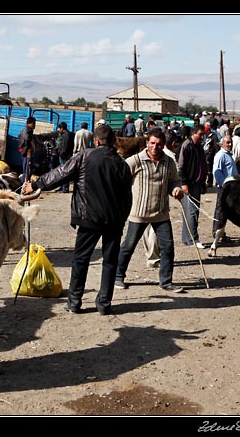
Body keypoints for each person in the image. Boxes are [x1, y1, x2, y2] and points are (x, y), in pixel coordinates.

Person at [22, 124, 132, 315]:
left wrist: (36, 184)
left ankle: (74, 302)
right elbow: (127, 197)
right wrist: (121, 219)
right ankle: (104, 304)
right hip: (113, 222)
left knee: (81, 260)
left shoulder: (85, 156)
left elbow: (60, 174)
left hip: (88, 218)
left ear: (96, 141)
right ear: (113, 142)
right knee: (110, 262)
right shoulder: (121, 163)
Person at [114, 128, 185, 293]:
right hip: (138, 213)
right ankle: (118, 276)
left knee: (168, 247)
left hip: (161, 213)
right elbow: (119, 178)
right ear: (147, 143)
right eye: (152, 143)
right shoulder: (135, 160)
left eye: (159, 144)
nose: (155, 147)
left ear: (163, 145)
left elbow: (175, 180)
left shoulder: (168, 162)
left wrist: (176, 189)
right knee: (128, 245)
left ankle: (166, 281)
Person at [178, 125, 208, 248]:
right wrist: (184, 183)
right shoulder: (187, 146)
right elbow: (181, 166)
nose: (202, 137)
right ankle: (193, 239)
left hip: (197, 183)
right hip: (189, 184)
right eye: (200, 134)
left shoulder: (199, 147)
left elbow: (202, 165)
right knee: (191, 212)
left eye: (203, 134)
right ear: (193, 134)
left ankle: (187, 239)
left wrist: (203, 183)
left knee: (191, 212)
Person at [211, 135, 237, 239]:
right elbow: (216, 172)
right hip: (224, 187)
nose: (230, 144)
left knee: (225, 211)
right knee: (220, 210)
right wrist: (223, 185)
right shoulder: (220, 155)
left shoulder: (228, 154)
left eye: (230, 142)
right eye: (227, 142)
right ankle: (216, 233)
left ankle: (221, 233)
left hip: (231, 187)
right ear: (222, 143)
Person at [18, 116, 37, 182]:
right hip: (26, 152)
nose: (34, 125)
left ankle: (25, 183)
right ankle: (24, 185)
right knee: (27, 170)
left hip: (26, 152)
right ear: (29, 123)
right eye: (33, 124)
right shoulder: (27, 130)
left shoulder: (27, 130)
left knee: (28, 169)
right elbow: (27, 139)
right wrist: (32, 145)